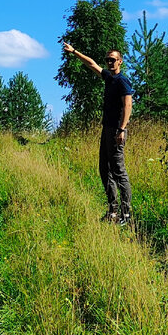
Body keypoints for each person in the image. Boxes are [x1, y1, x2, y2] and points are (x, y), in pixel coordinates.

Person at [62, 42, 133, 226]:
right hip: (106, 129)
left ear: (120, 62)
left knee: (119, 171)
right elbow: (92, 64)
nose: (110, 63)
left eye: (113, 60)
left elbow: (128, 105)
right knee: (104, 170)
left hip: (117, 130)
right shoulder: (109, 79)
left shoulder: (122, 81)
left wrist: (122, 129)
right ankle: (113, 210)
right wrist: (74, 51)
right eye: (108, 60)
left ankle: (126, 214)